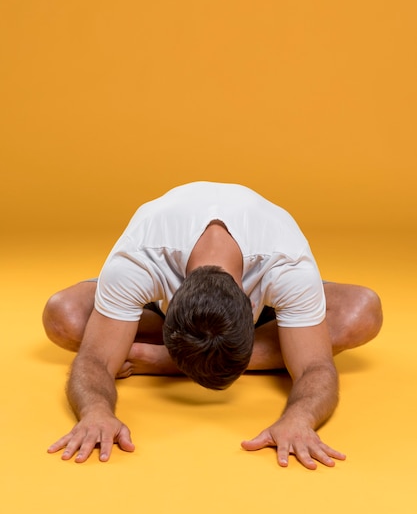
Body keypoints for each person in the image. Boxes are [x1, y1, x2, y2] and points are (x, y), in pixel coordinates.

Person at [43, 181, 382, 469]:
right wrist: (95, 411)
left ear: (253, 306)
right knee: (63, 317)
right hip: (159, 278)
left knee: (362, 311)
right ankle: (204, 352)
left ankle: (169, 360)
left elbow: (315, 367)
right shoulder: (139, 261)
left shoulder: (286, 264)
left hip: (262, 281)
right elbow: (94, 359)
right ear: (169, 302)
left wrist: (300, 417)